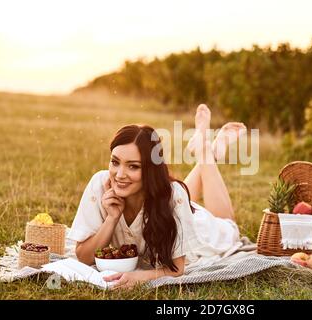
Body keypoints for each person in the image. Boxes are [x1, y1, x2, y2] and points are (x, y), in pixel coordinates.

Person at [68, 104, 247, 290]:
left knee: (228, 225)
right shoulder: (100, 184)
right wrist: (111, 218)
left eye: (133, 166)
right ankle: (207, 151)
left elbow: (177, 269)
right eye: (115, 162)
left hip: (199, 230)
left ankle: (205, 152)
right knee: (174, 194)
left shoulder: (174, 196)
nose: (119, 175)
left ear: (150, 170)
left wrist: (140, 276)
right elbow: (83, 256)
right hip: (173, 204)